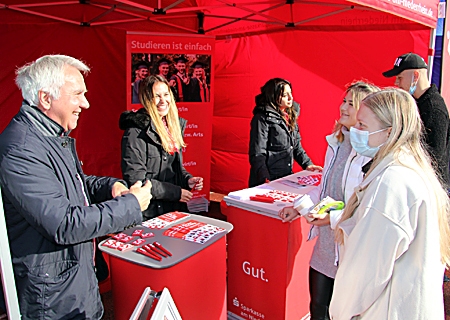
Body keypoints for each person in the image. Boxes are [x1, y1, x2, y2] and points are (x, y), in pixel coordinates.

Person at [0, 54, 152, 320]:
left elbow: (74, 185)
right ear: (46, 98)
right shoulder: (21, 149)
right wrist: (130, 205)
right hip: (52, 299)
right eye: (77, 94)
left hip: (72, 281)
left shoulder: (49, 135)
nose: (86, 103)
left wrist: (110, 187)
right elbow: (64, 223)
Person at [326, 88, 450, 319]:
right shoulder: (411, 170)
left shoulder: (391, 183)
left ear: (389, 132)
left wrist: (340, 312)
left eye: (363, 125)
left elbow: (365, 272)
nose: (355, 130)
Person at [278, 81, 379, 320]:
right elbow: (326, 190)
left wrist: (331, 218)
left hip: (349, 249)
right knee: (318, 309)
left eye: (351, 104)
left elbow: (363, 208)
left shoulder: (369, 154)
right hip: (325, 245)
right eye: (344, 101)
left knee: (342, 313)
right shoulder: (336, 143)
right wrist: (299, 208)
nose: (343, 107)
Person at [120, 75, 203, 220]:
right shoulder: (135, 132)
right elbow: (137, 179)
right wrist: (176, 193)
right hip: (149, 214)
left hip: (173, 210)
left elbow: (174, 168)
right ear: (146, 99)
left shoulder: (172, 127)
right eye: (156, 96)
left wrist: (188, 179)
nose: (163, 100)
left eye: (166, 94)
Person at [382, 52, 450, 187]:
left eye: (400, 77)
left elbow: (435, 157)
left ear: (416, 76)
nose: (396, 82)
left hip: (430, 187)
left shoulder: (434, 109)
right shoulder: (415, 103)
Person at [248, 77, 322, 187]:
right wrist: (264, 178)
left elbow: (296, 147)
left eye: (290, 93)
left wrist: (308, 164)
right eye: (284, 95)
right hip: (268, 179)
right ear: (273, 96)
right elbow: (258, 152)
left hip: (285, 177)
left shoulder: (290, 116)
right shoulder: (262, 118)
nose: (290, 98)